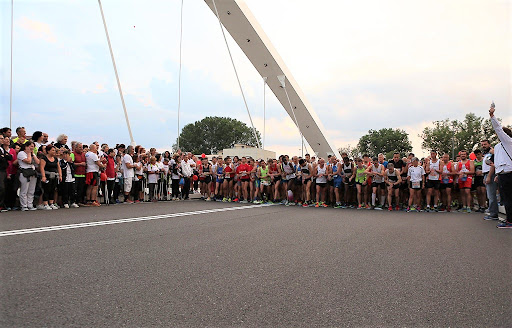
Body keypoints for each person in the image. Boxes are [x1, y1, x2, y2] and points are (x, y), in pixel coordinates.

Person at [489, 106, 512, 228]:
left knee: (508, 198)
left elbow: (498, 129)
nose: (498, 135)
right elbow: (499, 162)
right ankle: (509, 219)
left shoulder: (508, 142)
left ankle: (510, 221)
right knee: (505, 198)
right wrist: (497, 174)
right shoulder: (499, 147)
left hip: (509, 174)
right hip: (503, 174)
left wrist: (492, 117)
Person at [18, 141, 40, 211]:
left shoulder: (32, 154)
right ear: (26, 146)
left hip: (32, 172)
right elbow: (28, 161)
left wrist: (33, 154)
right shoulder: (21, 153)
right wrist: (28, 153)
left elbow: (38, 162)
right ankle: (24, 205)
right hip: (24, 172)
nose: (32, 148)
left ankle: (30, 204)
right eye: (30, 146)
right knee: (24, 190)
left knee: (31, 190)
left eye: (33, 146)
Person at [39, 144, 62, 210]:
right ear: (48, 151)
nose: (54, 152)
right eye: (52, 150)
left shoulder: (55, 159)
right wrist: (43, 176)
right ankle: (45, 203)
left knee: (53, 189)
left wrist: (60, 175)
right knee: (46, 189)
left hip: (54, 175)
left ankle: (51, 202)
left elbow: (58, 167)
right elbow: (42, 168)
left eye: (54, 150)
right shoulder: (44, 159)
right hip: (47, 175)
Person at [481, 139, 499, 220]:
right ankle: (492, 211)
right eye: (482, 145)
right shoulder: (485, 154)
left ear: (489, 144)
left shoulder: (493, 152)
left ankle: (493, 214)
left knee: (491, 195)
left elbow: (492, 165)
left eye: (485, 144)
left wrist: (488, 176)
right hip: (486, 174)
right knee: (489, 195)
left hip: (490, 174)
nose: (483, 146)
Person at [0, 134, 13, 212]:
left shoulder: (2, 149)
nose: (2, 140)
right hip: (0, 170)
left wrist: (4, 155)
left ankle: (1, 205)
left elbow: (10, 157)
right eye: (1, 138)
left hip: (4, 170)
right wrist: (4, 156)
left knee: (4, 188)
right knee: (1, 188)